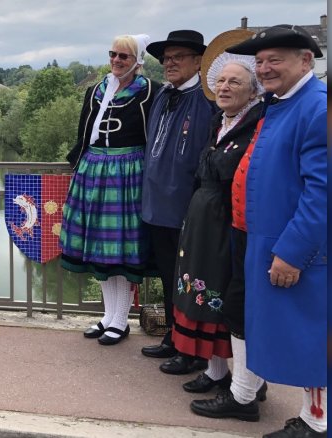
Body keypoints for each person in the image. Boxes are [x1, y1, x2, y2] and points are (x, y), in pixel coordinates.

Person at [163, 30, 270, 422]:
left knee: (224, 296)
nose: (224, 87)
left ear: (253, 90)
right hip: (203, 222)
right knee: (202, 291)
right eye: (221, 81)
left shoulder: (256, 125)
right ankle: (216, 370)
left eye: (235, 82)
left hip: (228, 224)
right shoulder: (222, 122)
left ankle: (242, 384)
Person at [226, 25, 327, 437]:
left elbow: (325, 192)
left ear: (306, 61)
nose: (264, 68)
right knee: (297, 335)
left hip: (303, 251)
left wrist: (291, 251)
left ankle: (318, 423)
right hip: (268, 241)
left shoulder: (318, 108)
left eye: (275, 60)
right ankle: (312, 417)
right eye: (260, 61)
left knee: (314, 336)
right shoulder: (280, 103)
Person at [60, 34, 156, 345]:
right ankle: (107, 316)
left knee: (119, 250)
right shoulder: (95, 92)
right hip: (94, 172)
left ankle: (121, 320)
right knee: (100, 248)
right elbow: (83, 135)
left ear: (137, 61)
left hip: (127, 175)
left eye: (124, 57)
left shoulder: (150, 93)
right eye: (113, 54)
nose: (116, 60)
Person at [140, 30, 215, 375]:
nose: (170, 63)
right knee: (169, 277)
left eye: (178, 57)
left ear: (199, 61)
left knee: (191, 280)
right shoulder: (162, 96)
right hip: (157, 204)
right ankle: (173, 336)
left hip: (187, 206)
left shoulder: (207, 100)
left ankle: (194, 350)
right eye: (166, 58)